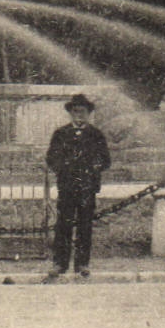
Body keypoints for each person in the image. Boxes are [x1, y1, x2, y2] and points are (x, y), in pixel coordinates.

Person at [46, 93, 111, 277]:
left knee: (85, 226)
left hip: (87, 187)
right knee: (63, 225)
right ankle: (60, 264)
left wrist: (94, 168)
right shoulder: (61, 134)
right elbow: (51, 158)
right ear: (71, 113)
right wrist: (63, 169)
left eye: (83, 111)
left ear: (88, 113)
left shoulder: (96, 135)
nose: (79, 115)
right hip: (67, 186)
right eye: (75, 111)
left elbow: (106, 160)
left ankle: (82, 264)